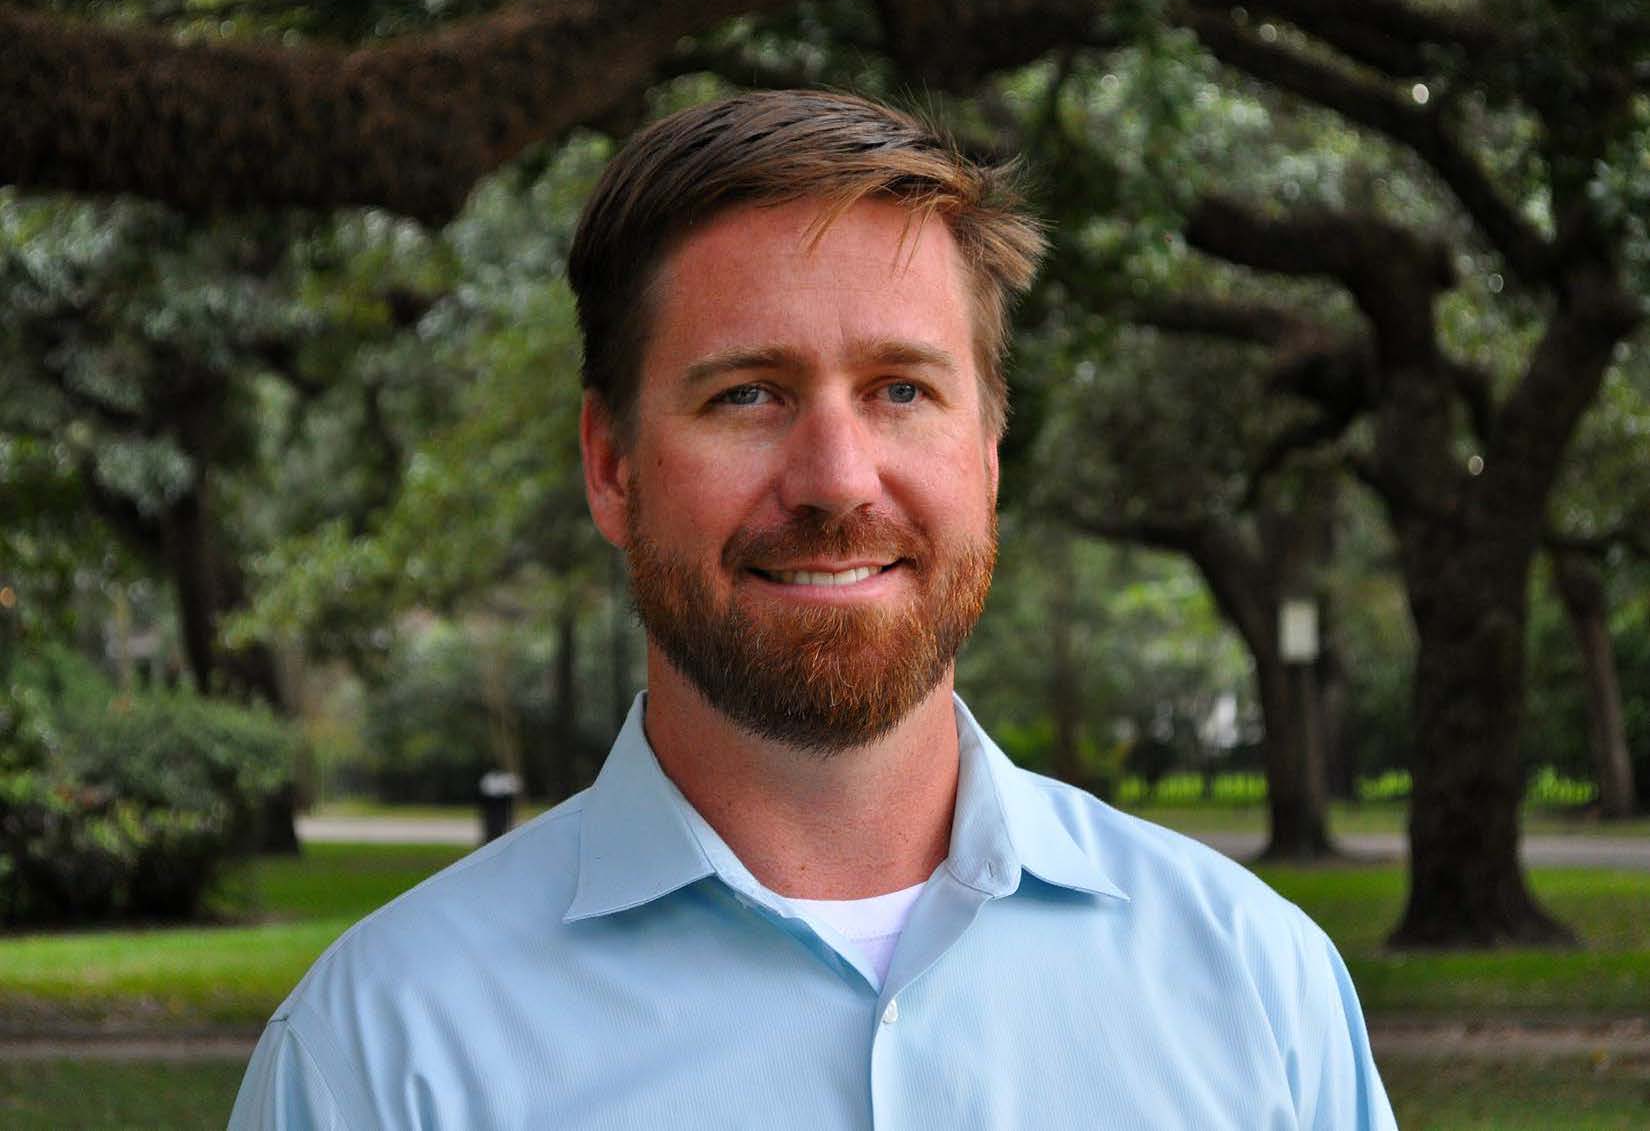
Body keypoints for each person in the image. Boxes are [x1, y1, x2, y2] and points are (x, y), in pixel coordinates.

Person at [229, 91, 1396, 1129]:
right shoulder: (376, 1061)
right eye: (748, 394)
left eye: (902, 389)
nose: (837, 479)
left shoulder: (1258, 987)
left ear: (988, 453)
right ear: (611, 465)